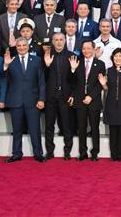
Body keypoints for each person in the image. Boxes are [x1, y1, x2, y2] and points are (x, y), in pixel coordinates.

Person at [0, 37, 46, 162]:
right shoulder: (10, 61)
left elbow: (41, 81)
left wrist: (42, 99)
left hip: (33, 100)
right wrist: (5, 65)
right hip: (15, 100)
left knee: (34, 129)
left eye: (23, 45)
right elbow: (3, 79)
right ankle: (16, 153)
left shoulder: (36, 60)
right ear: (16, 47)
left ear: (28, 46)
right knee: (17, 129)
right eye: (19, 46)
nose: (21, 48)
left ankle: (38, 153)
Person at [70, 40, 106, 161]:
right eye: (84, 48)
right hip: (80, 100)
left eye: (89, 48)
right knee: (81, 127)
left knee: (95, 128)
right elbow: (72, 83)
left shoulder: (100, 64)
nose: (86, 51)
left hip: (94, 100)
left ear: (94, 49)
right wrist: (73, 70)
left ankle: (95, 152)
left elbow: (101, 84)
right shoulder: (77, 62)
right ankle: (83, 152)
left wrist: (91, 96)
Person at [42, 32, 75, 160]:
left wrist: (72, 70)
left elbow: (75, 80)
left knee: (67, 125)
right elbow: (42, 78)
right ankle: (49, 152)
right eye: (56, 40)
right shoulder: (46, 55)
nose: (59, 42)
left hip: (65, 96)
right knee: (49, 125)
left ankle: (67, 152)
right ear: (52, 41)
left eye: (61, 39)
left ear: (65, 40)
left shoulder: (72, 56)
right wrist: (47, 66)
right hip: (50, 96)